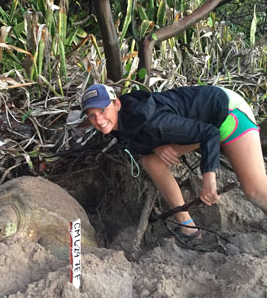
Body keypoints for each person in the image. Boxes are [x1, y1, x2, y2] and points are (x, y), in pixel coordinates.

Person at [81, 83, 267, 240]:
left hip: (228, 113)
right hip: (204, 121)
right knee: (151, 161)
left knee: (255, 191)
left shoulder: (153, 123)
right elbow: (141, 136)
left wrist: (209, 177)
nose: (99, 119)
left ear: (117, 104)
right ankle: (188, 227)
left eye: (103, 110)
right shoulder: (123, 120)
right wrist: (156, 148)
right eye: (92, 115)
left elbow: (209, 133)